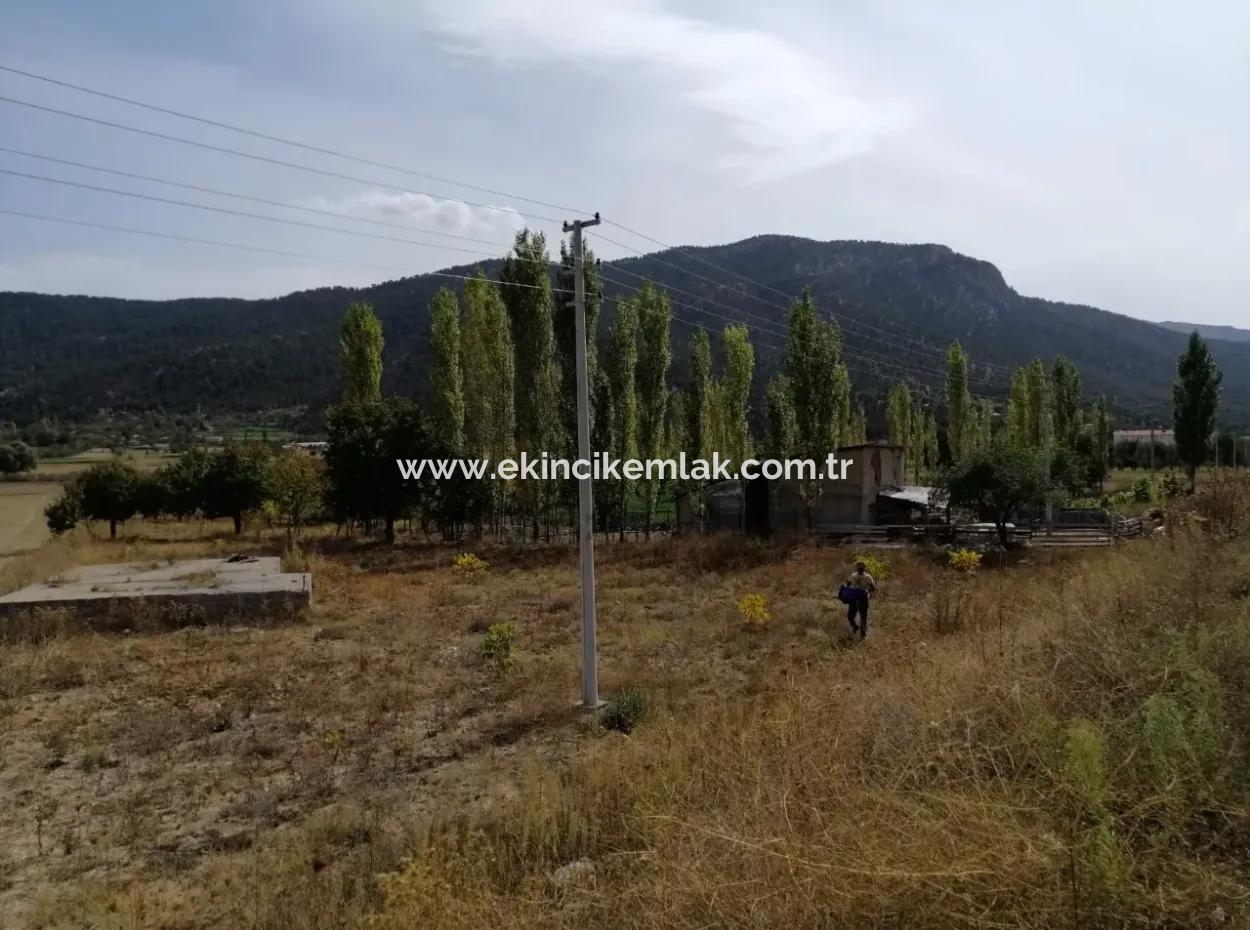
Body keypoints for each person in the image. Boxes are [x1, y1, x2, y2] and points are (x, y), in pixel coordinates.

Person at [843, 560, 876, 638]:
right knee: (850, 616)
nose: (860, 569)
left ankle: (863, 634)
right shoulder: (853, 576)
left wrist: (866, 591)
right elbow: (847, 584)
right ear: (856, 568)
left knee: (863, 616)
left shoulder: (867, 577)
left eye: (861, 568)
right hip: (854, 597)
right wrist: (847, 591)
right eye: (858, 568)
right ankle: (855, 626)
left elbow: (873, 588)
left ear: (864, 568)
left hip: (863, 598)